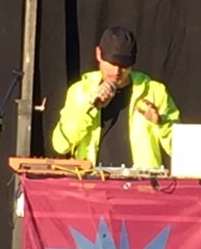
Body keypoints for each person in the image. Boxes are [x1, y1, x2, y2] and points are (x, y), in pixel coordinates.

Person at [51, 26, 179, 169]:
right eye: (111, 63)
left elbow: (180, 151)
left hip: (140, 184)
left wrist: (161, 123)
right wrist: (91, 108)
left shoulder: (154, 92)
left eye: (124, 66)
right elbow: (61, 144)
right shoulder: (80, 91)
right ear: (98, 54)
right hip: (92, 181)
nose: (117, 71)